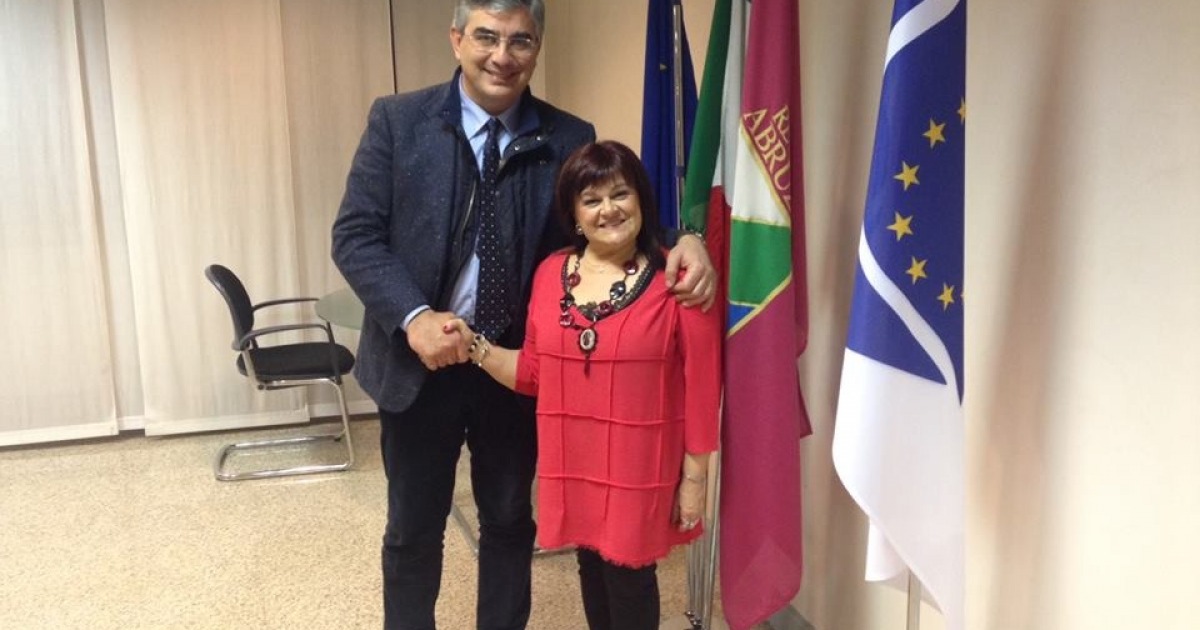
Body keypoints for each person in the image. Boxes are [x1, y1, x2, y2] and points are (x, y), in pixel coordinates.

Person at [330, 1, 716, 628]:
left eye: (520, 41)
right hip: (417, 363)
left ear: (537, 48)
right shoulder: (398, 122)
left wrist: (687, 238)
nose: (502, 57)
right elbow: (355, 236)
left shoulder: (568, 135)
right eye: (486, 37)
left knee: (509, 522)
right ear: (457, 39)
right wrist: (415, 316)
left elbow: (602, 221)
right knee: (413, 528)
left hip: (514, 369)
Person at [445, 140, 719, 630]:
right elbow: (535, 372)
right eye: (591, 200)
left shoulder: (678, 277)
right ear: (574, 215)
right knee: (590, 563)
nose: (608, 209)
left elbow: (702, 387)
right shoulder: (552, 273)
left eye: (620, 194)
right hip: (574, 458)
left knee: (629, 575)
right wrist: (474, 347)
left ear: (641, 200)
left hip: (640, 464)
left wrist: (695, 480)